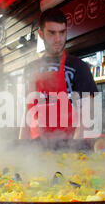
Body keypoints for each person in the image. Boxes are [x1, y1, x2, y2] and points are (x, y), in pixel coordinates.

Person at [19, 8, 98, 139]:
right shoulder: (30, 69)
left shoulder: (79, 67)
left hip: (69, 148)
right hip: (36, 150)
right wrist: (21, 147)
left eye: (62, 32)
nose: (58, 39)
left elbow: (85, 118)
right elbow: (27, 112)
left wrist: (72, 153)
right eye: (51, 33)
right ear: (41, 34)